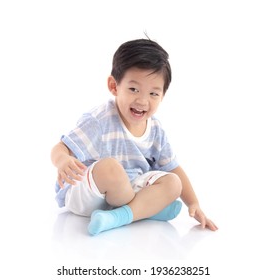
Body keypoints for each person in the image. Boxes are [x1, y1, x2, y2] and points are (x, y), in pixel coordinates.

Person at [51, 38, 218, 236]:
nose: (142, 100)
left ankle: (117, 216)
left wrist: (194, 203)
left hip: (127, 190)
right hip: (90, 194)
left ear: (163, 96)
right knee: (111, 168)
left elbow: (173, 167)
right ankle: (146, 209)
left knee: (173, 182)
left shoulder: (155, 129)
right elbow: (61, 147)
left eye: (153, 94)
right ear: (114, 86)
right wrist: (63, 159)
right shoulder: (99, 120)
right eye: (133, 89)